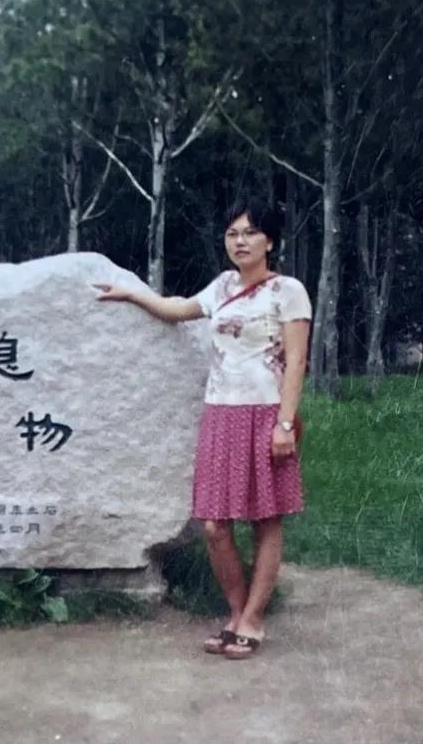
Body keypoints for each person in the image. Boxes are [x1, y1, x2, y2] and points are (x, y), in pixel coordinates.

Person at [94, 198, 311, 660]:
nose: (240, 241)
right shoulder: (222, 286)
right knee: (214, 524)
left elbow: (296, 361)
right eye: (233, 234)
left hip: (266, 414)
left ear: (270, 241)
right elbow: (177, 310)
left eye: (250, 233)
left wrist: (284, 424)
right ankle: (235, 612)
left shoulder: (287, 291)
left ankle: (253, 620)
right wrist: (132, 294)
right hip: (221, 415)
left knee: (266, 519)